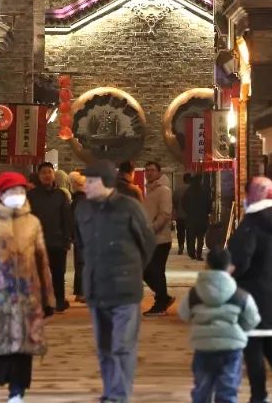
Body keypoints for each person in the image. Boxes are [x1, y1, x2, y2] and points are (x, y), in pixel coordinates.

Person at [75, 160, 156, 403]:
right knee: (104, 347)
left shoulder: (129, 207)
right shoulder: (83, 209)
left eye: (91, 181)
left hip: (125, 289)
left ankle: (118, 396)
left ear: (107, 183)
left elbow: (147, 242)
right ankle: (110, 392)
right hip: (96, 288)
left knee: (122, 345)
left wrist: (132, 269)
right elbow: (81, 244)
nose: (86, 186)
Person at [0, 172, 56, 403]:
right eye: (12, 191)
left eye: (21, 190)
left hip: (26, 298)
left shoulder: (32, 222)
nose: (18, 195)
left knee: (23, 350)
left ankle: (17, 393)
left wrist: (48, 297)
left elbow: (41, 260)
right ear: (0, 194)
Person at [227, 177, 272, 403]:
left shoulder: (252, 223)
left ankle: (259, 396)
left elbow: (240, 260)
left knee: (253, 349)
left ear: (251, 195)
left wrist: (228, 275)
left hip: (252, 296)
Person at [178, 247, 262, 403]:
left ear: (207, 265)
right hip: (231, 349)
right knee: (228, 389)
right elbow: (252, 319)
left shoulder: (194, 294)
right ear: (230, 268)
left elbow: (183, 314)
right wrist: (239, 329)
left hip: (203, 347)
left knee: (202, 389)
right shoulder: (240, 295)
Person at [27, 161, 73, 312]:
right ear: (39, 176)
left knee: (58, 274)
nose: (47, 175)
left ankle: (59, 301)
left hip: (57, 241)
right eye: (43, 173)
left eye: (49, 172)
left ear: (54, 175)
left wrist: (67, 239)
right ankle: (42, 302)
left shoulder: (61, 195)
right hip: (37, 241)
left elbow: (67, 219)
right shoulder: (32, 196)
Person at [141, 161, 175, 316]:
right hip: (150, 239)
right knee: (147, 270)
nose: (149, 173)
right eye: (146, 170)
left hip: (160, 239)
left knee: (155, 271)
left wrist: (152, 229)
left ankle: (161, 303)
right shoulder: (151, 189)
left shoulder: (163, 190)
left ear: (159, 172)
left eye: (152, 170)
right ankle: (163, 298)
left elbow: (165, 214)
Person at [68, 170, 88, 303]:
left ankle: (80, 292)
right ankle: (81, 292)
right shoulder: (82, 199)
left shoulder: (78, 199)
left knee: (81, 264)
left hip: (80, 236)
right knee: (83, 264)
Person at [184, 174, 212, 260]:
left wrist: (188, 212)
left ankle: (192, 253)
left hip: (191, 217)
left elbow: (184, 204)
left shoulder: (189, 191)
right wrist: (207, 212)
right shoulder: (205, 191)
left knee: (191, 236)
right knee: (200, 237)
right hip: (202, 217)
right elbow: (209, 204)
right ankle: (199, 254)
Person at [174, 172, 190, 255]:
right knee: (190, 232)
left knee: (180, 232)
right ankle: (190, 247)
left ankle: (181, 246)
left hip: (180, 215)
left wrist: (177, 209)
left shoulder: (178, 189)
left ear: (183, 180)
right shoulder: (194, 189)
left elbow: (174, 201)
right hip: (191, 216)